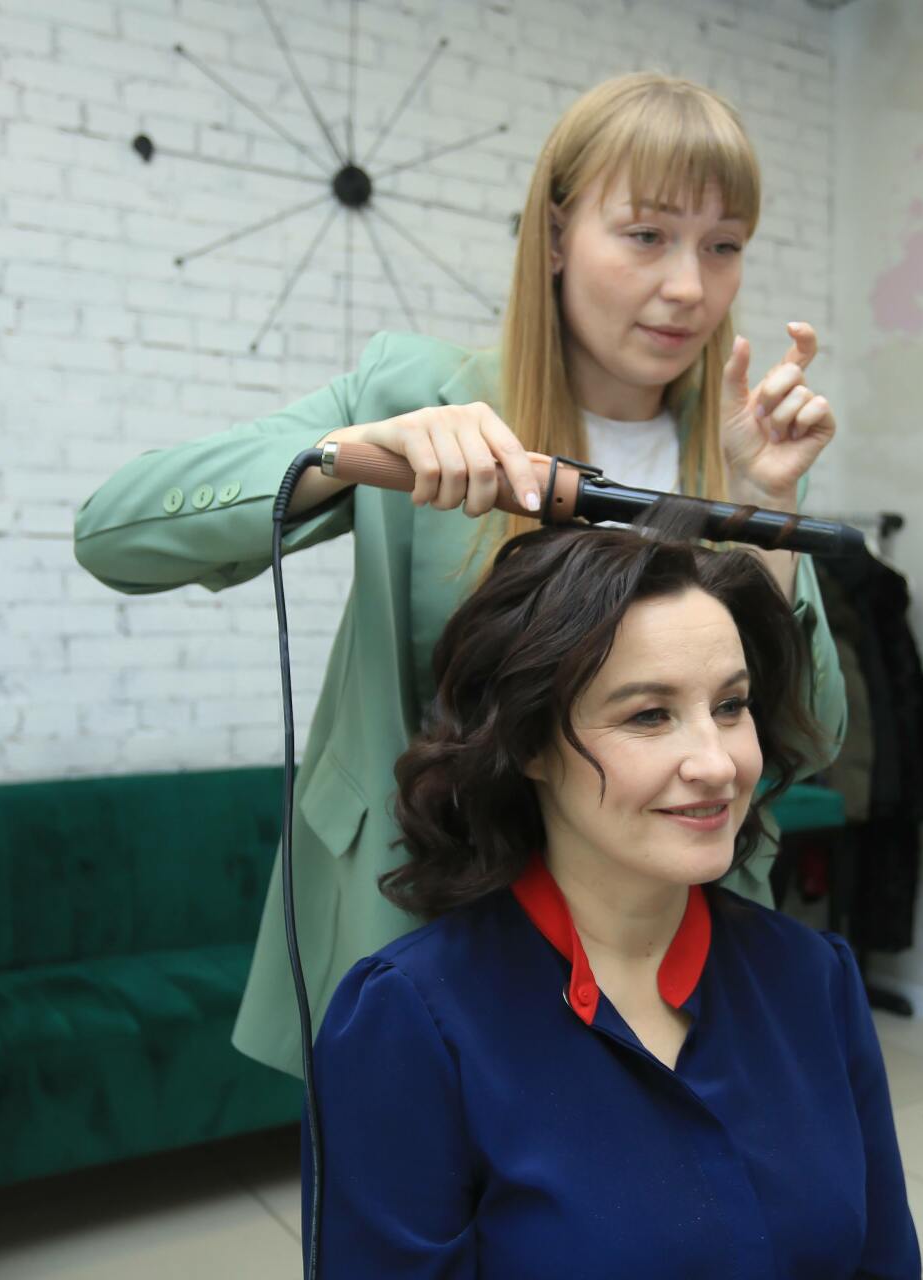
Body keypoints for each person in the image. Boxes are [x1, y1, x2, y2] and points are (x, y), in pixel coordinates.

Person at [71, 72, 849, 1079]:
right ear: (557, 234)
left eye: (723, 245)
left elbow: (807, 737)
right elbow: (114, 533)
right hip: (428, 924)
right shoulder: (417, 394)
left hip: (664, 943)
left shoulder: (737, 452)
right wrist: (351, 453)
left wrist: (767, 508)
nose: (690, 288)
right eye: (647, 234)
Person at [308, 517, 920, 1277]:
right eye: (648, 715)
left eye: (731, 705)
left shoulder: (814, 978)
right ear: (527, 742)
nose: (717, 764)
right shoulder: (409, 1024)